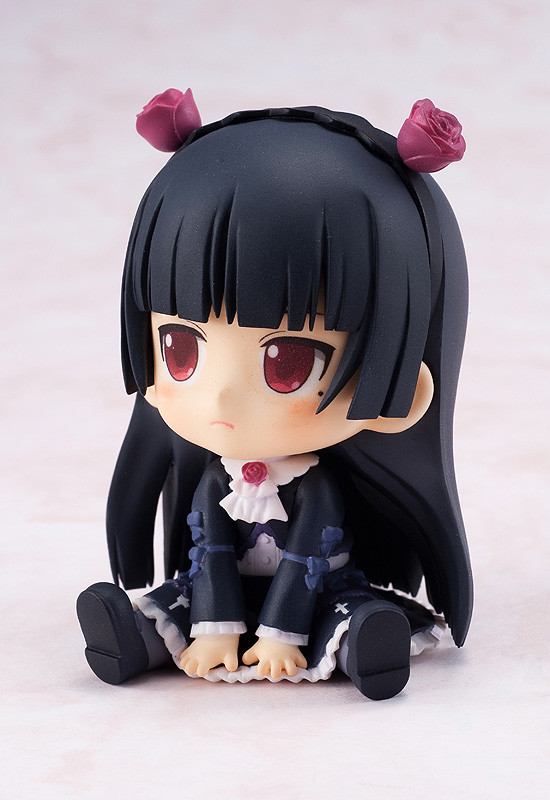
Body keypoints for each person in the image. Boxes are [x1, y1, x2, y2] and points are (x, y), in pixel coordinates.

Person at [77, 93, 472, 700]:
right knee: (175, 604)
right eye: (180, 351)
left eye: (287, 363)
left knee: (346, 616)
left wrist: (281, 633)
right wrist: (216, 626)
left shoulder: (316, 489)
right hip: (221, 592)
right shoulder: (218, 478)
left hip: (314, 589)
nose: (220, 398)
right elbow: (210, 547)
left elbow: (308, 555)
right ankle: (129, 639)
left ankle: (370, 647)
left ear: (406, 389)